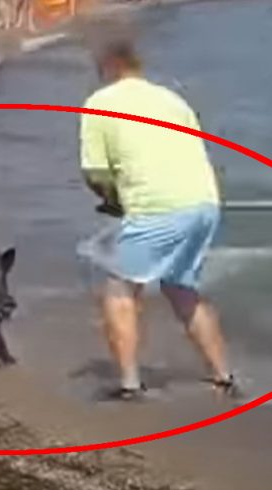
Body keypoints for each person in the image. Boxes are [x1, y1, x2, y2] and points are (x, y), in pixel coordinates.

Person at [79, 41, 234, 400]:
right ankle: (223, 377)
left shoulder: (100, 103)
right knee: (181, 288)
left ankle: (130, 385)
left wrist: (112, 200)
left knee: (119, 290)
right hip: (203, 202)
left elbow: (96, 172)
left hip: (157, 205)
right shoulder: (173, 100)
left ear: (108, 66)